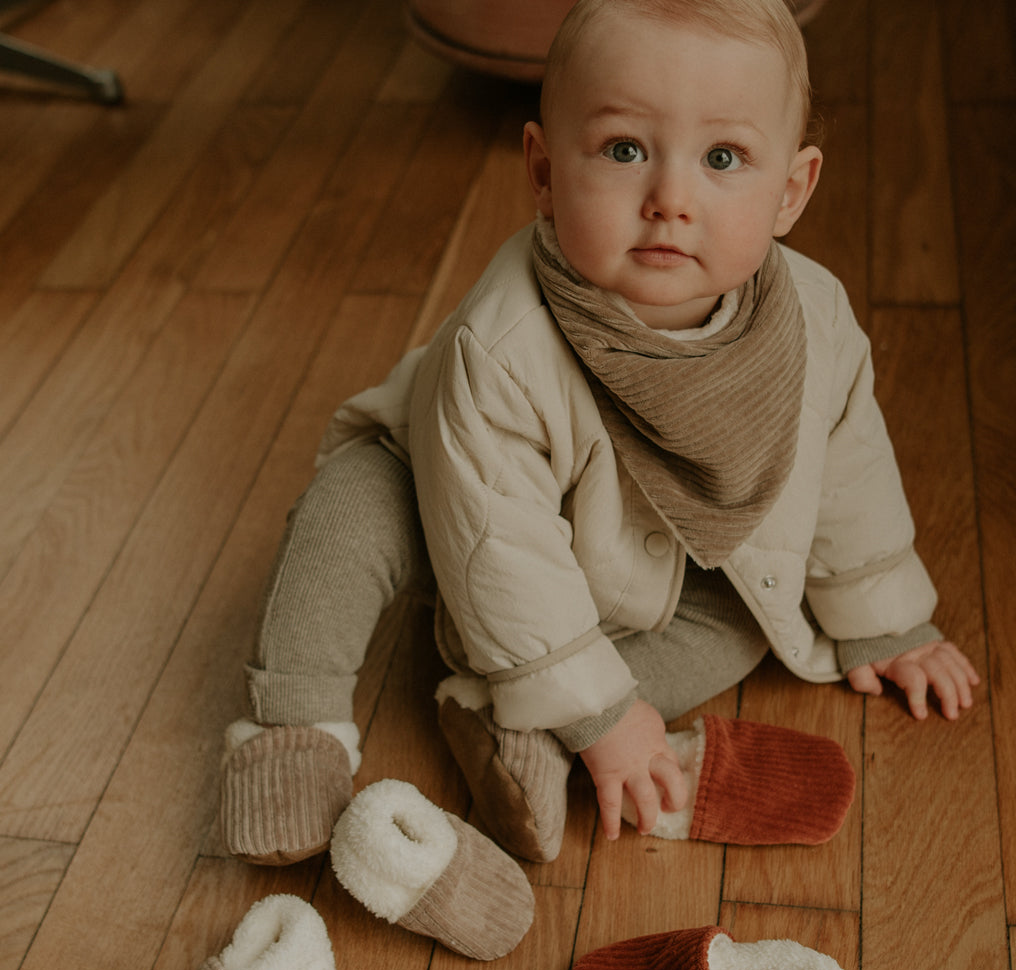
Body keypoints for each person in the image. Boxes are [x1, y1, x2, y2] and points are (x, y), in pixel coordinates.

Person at [218, 0, 978, 870]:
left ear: (791, 192)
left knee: (744, 621)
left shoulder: (813, 319)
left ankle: (509, 720)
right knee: (346, 514)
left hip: (637, 560)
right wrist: (606, 718)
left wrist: (887, 621)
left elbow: (846, 467)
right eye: (624, 151)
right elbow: (496, 541)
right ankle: (294, 730)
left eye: (723, 159)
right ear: (543, 172)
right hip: (452, 515)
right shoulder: (503, 344)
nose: (670, 200)